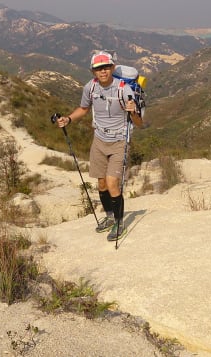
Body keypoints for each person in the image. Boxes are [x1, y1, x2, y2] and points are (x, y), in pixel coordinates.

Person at [55, 51, 144, 241]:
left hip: (119, 141)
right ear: (93, 71)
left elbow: (139, 123)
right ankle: (110, 217)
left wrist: (133, 111)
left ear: (112, 68)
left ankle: (120, 224)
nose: (102, 71)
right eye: (98, 68)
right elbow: (84, 109)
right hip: (99, 140)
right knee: (101, 183)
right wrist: (68, 119)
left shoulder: (124, 89)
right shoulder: (90, 87)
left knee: (112, 183)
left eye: (106, 67)